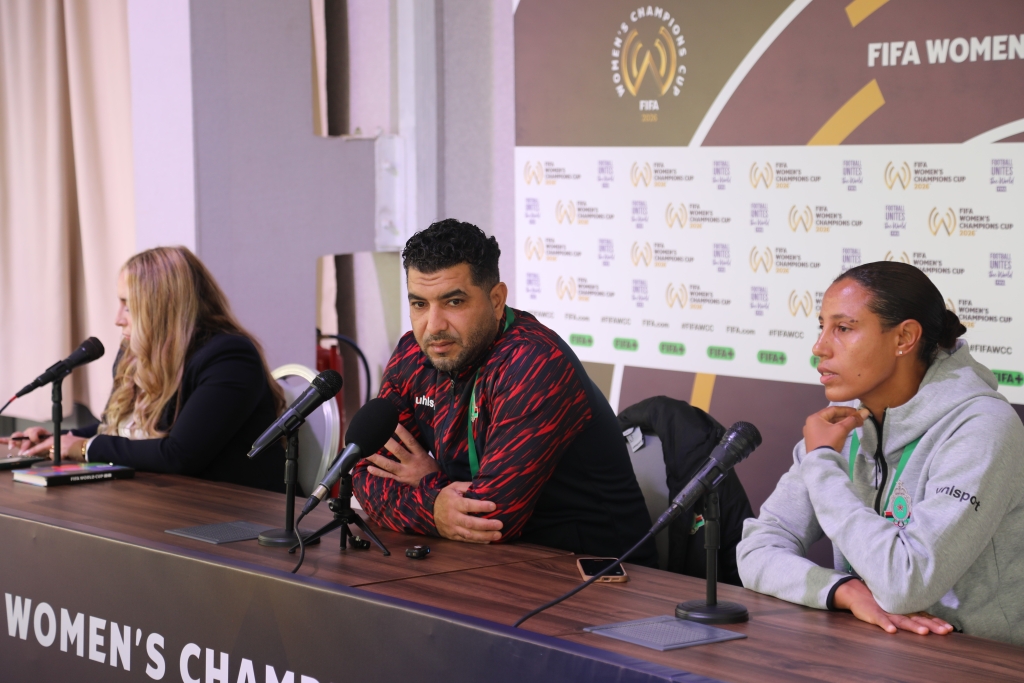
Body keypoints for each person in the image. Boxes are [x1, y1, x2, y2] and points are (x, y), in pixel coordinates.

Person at [736, 261, 1024, 645]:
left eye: (843, 328)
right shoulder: (845, 427)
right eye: (821, 327)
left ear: (904, 337)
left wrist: (821, 462)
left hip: (976, 660)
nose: (819, 347)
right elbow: (757, 548)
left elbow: (907, 583)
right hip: (872, 650)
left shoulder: (982, 427)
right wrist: (844, 590)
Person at [351, 219, 657, 565]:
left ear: (496, 301)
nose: (433, 326)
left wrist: (430, 486)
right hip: (491, 563)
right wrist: (438, 504)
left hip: (597, 573)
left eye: (453, 302)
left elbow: (491, 518)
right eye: (420, 304)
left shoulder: (534, 363)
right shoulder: (414, 353)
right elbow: (366, 476)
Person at [4, 246, 287, 492]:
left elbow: (180, 455)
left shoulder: (228, 358)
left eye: (128, 305)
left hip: (237, 513)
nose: (118, 319)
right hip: (168, 498)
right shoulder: (135, 354)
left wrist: (82, 448)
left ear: (161, 307)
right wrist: (62, 438)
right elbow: (124, 428)